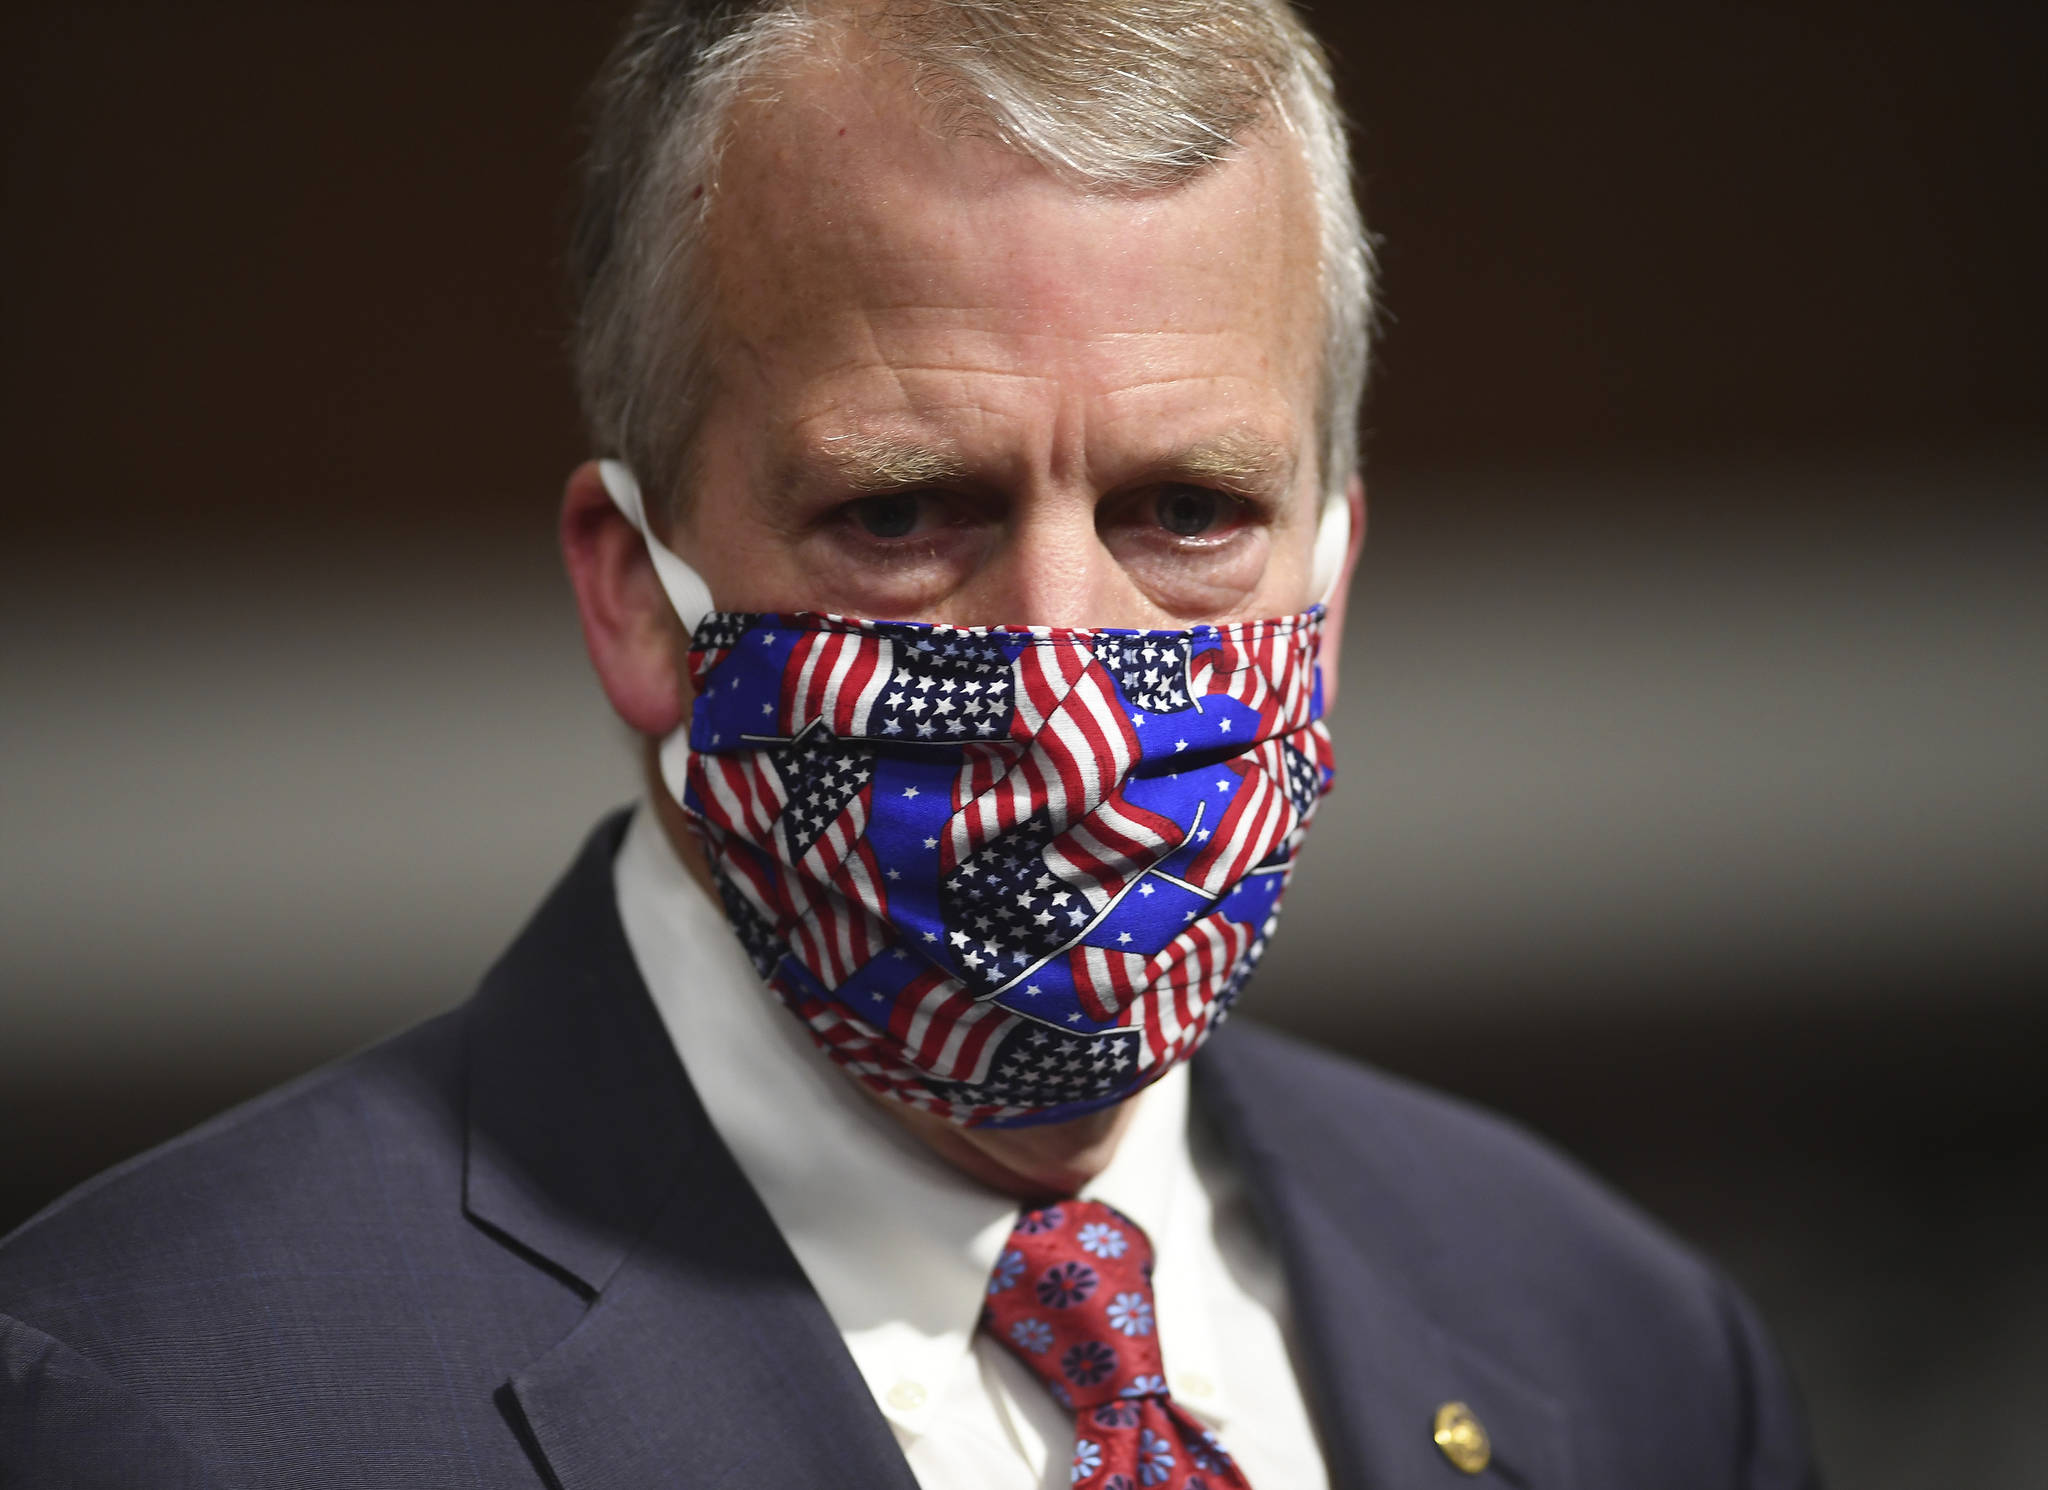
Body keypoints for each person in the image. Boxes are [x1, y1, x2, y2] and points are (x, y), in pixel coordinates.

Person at [0, 2, 1818, 1486]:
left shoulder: (1634, 1355)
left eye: (1189, 510)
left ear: (1328, 588)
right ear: (637, 595)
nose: (1065, 658)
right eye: (902, 511)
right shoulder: (150, 1403)